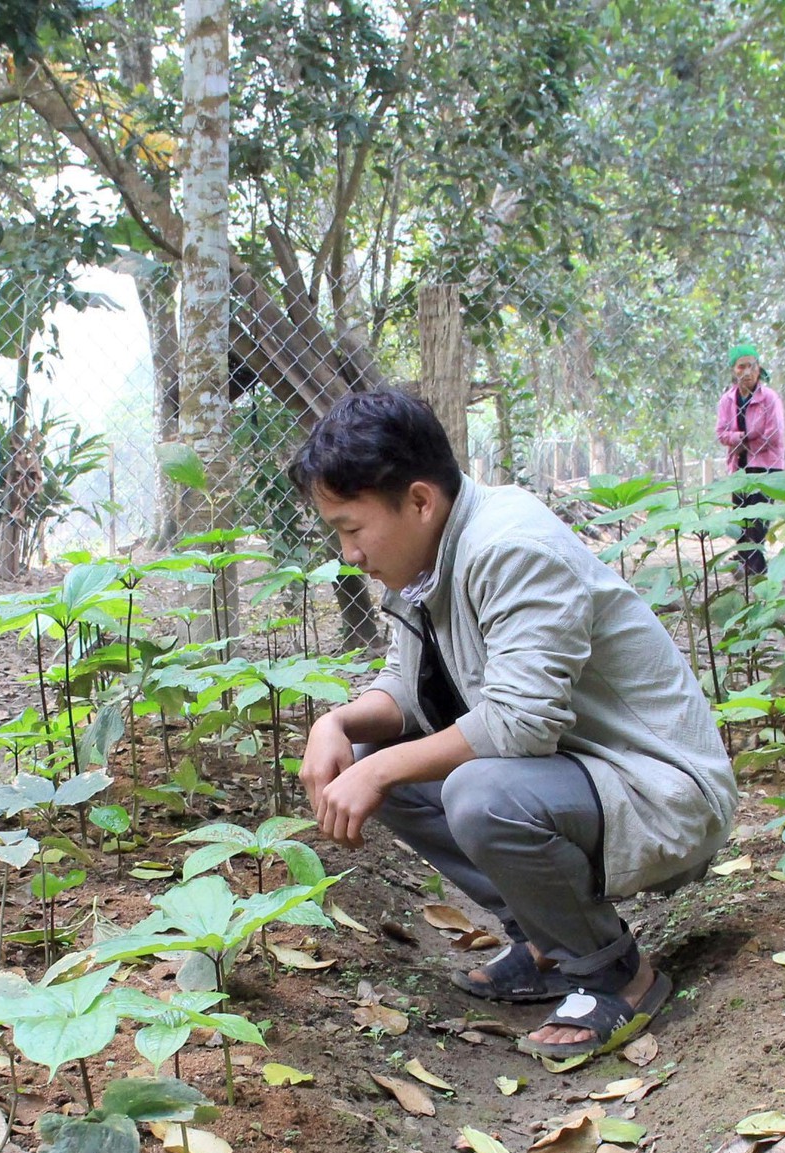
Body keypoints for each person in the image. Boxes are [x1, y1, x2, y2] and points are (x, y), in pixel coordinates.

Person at [290, 389, 738, 1061]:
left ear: (418, 501)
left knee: (473, 792)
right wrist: (337, 723)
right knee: (367, 752)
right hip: (575, 778)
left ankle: (613, 971)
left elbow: (521, 723)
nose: (348, 552)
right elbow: (404, 692)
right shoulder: (424, 558)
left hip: (660, 794)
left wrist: (379, 768)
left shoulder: (511, 545)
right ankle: (544, 943)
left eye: (352, 528)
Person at [715, 343, 785, 576]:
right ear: (733, 371)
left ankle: (756, 569)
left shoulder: (770, 398)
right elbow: (721, 433)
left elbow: (774, 434)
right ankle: (749, 566)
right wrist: (744, 437)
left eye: (751, 366)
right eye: (741, 367)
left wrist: (740, 439)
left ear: (759, 368)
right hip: (740, 467)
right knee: (742, 519)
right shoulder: (727, 400)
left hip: (767, 467)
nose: (747, 372)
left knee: (758, 521)